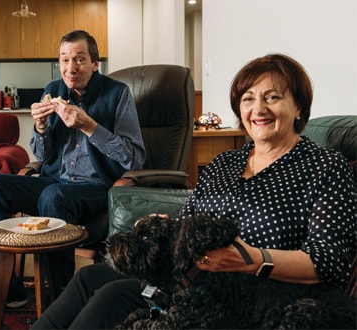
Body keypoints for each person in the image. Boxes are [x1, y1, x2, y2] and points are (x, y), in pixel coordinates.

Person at [31, 53, 357, 329]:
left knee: (113, 295)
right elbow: (189, 218)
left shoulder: (325, 168)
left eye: (272, 97)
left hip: (251, 295)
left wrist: (252, 260)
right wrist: (168, 227)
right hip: (189, 278)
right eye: (248, 99)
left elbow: (330, 262)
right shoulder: (225, 162)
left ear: (299, 107)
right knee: (90, 279)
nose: (259, 108)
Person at [0, 30, 145, 316]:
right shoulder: (54, 89)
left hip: (98, 188)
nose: (72, 68)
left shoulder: (118, 94)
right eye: (65, 60)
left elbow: (134, 158)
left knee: (53, 196)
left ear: (95, 63)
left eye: (80, 59)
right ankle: (4, 285)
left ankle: (62, 295)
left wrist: (89, 126)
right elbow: (43, 157)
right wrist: (40, 128)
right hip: (56, 181)